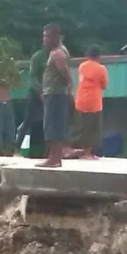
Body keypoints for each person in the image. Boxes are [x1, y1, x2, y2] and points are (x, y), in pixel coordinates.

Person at [37, 23, 73, 168]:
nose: (44, 39)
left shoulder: (57, 53)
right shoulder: (60, 51)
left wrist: (69, 88)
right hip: (56, 94)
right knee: (56, 126)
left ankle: (54, 158)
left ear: (54, 37)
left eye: (47, 36)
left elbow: (66, 74)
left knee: (52, 126)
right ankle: (56, 158)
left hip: (55, 94)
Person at [67, 45, 108, 160]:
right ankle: (88, 153)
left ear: (87, 55)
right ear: (99, 56)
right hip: (94, 102)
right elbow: (104, 85)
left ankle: (76, 151)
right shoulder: (101, 69)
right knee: (93, 128)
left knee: (79, 127)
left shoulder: (82, 66)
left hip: (80, 100)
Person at [16, 47, 48, 153]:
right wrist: (40, 91)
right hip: (35, 94)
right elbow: (32, 77)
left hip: (51, 94)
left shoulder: (58, 55)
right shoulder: (38, 57)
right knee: (28, 121)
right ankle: (16, 148)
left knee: (48, 123)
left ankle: (48, 151)